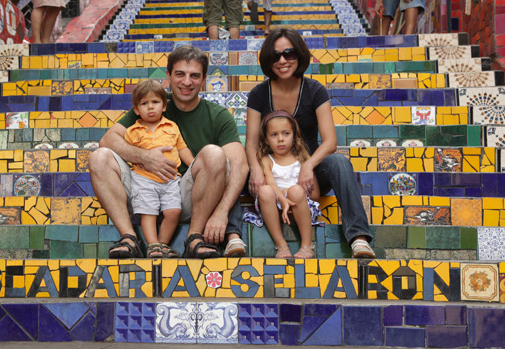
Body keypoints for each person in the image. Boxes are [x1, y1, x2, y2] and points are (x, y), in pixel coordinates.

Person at [89, 45, 248, 259]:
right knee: (100, 156)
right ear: (169, 76)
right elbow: (107, 139)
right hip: (144, 187)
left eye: (194, 76)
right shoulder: (152, 106)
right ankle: (129, 238)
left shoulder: (218, 116)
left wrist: (222, 211)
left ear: (203, 80)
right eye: (180, 74)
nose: (186, 82)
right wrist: (145, 157)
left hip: (188, 194)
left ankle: (194, 237)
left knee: (214, 153)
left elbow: (240, 165)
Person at [245, 28, 376, 258]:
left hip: (309, 173)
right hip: (271, 172)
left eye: (289, 53)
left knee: (338, 162)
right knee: (236, 163)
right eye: (276, 56)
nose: (283, 60)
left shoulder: (315, 90)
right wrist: (256, 169)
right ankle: (233, 235)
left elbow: (330, 142)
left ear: (300, 55)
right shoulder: (258, 93)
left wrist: (308, 165)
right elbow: (251, 142)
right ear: (267, 59)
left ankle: (358, 238)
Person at [124, 80, 194, 258]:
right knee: (149, 212)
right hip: (144, 179)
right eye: (144, 103)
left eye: (155, 102)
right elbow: (127, 153)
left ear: (164, 106)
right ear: (137, 110)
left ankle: (162, 245)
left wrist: (195, 166)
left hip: (171, 180)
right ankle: (152, 244)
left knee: (173, 211)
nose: (150, 107)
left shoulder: (171, 127)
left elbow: (182, 149)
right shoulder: (132, 131)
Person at [257, 111, 321, 259]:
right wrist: (282, 198)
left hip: (300, 207)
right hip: (274, 209)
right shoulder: (266, 160)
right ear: (266, 140)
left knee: (295, 191)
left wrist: (292, 195)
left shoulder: (303, 159)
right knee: (265, 190)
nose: (280, 139)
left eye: (286, 133)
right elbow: (271, 183)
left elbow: (316, 194)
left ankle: (307, 245)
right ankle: (281, 244)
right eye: (274, 135)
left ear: (294, 136)